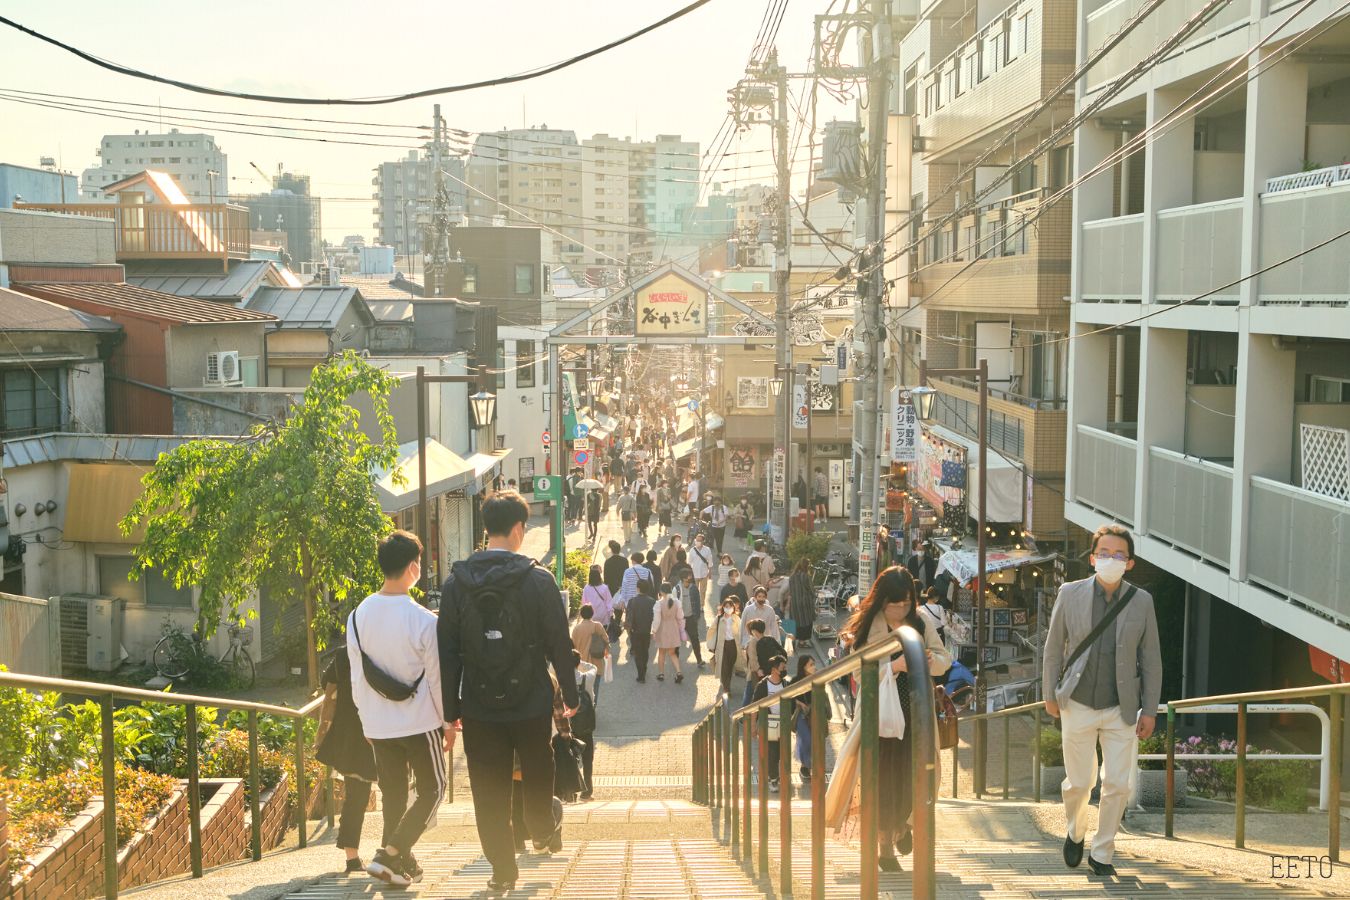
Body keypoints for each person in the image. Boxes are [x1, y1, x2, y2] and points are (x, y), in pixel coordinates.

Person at [438, 492, 578, 896]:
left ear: (486, 529)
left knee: (487, 789)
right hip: (531, 701)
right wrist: (570, 695)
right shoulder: (539, 580)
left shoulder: (456, 584)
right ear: (519, 529)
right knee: (538, 767)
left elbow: (447, 653)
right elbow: (558, 642)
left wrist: (451, 710)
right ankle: (540, 823)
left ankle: (502, 870)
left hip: (479, 705)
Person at [1043, 524, 1161, 878]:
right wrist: (1049, 694)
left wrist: (1150, 710)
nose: (1111, 559)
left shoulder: (1141, 601)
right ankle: (1075, 830)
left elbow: (1151, 659)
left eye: (1119, 555)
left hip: (1121, 707)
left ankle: (1103, 851)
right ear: (1093, 558)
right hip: (1076, 701)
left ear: (1130, 563)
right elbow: (1052, 649)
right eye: (1105, 554)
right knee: (1079, 783)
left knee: (1118, 784)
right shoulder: (1070, 593)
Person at [346, 531, 445, 887]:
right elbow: (436, 678)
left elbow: (357, 678)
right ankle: (389, 854)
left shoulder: (357, 616)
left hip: (377, 724)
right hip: (420, 722)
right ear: (413, 567)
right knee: (434, 789)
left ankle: (398, 866)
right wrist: (447, 723)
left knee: (395, 795)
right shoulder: (423, 620)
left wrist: (366, 723)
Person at [842, 566, 950, 873]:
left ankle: (903, 826)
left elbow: (944, 661)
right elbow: (856, 672)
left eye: (905, 603)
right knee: (882, 783)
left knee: (912, 779)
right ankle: (885, 847)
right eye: (894, 604)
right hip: (880, 719)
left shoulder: (920, 620)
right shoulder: (869, 625)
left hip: (915, 716)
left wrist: (928, 661)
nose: (900, 610)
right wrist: (896, 665)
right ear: (881, 600)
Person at [315, 635, 378, 875]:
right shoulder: (387, 651)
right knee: (396, 793)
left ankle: (352, 858)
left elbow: (326, 684)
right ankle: (393, 853)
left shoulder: (343, 654)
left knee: (356, 797)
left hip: (351, 735)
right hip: (387, 730)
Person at [751, 654, 791, 791]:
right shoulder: (763, 685)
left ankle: (774, 776)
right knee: (772, 752)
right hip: (769, 724)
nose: (785, 669)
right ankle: (773, 779)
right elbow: (754, 706)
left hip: (783, 724)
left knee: (781, 753)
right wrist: (753, 727)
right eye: (782, 667)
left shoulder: (786, 684)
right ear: (774, 669)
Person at [792, 656, 828, 780]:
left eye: (814, 664)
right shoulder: (795, 680)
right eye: (811, 664)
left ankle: (809, 767)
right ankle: (805, 766)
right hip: (801, 714)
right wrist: (799, 703)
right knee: (806, 739)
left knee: (816, 740)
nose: (814, 667)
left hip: (815, 713)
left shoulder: (817, 679)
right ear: (804, 667)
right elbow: (789, 697)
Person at [571, 649, 600, 801]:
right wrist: (581, 662)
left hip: (569, 723)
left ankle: (571, 792)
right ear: (577, 663)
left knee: (571, 758)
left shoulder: (562, 679)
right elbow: (593, 668)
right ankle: (587, 792)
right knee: (587, 758)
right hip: (586, 724)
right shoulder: (587, 678)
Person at [651, 582, 686, 684]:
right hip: (673, 628)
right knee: (672, 653)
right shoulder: (677, 602)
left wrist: (653, 630)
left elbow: (656, 620)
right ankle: (679, 672)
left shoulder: (658, 604)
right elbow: (680, 616)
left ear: (661, 591)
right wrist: (681, 629)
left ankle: (661, 673)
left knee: (661, 652)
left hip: (662, 628)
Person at [571, 604, 610, 693]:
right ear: (592, 614)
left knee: (582, 691)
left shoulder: (576, 629)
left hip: (581, 665)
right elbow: (606, 641)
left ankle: (584, 706)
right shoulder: (598, 626)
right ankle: (593, 706)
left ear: (581, 614)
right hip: (596, 664)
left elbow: (573, 647)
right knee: (594, 691)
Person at [625, 578, 657, 684]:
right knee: (645, 650)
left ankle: (641, 674)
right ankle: (644, 667)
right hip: (647, 630)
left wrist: (628, 629)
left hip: (635, 631)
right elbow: (655, 617)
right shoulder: (652, 601)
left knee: (638, 653)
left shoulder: (632, 601)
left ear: (637, 589)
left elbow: (629, 617)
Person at [709, 597, 742, 696]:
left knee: (730, 667)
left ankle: (727, 685)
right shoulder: (719, 618)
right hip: (722, 646)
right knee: (724, 667)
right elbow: (711, 631)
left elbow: (741, 631)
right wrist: (711, 644)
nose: (728, 608)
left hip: (733, 645)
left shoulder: (736, 618)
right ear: (723, 607)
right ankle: (726, 689)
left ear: (733, 607)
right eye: (726, 606)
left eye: (730, 606)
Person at [674, 569, 705, 668]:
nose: (691, 577)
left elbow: (697, 601)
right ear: (683, 578)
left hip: (691, 618)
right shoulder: (677, 589)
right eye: (689, 576)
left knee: (695, 639)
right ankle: (676, 661)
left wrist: (697, 616)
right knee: (676, 641)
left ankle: (699, 660)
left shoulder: (694, 588)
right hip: (680, 619)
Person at [785, 557, 817, 643]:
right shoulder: (806, 576)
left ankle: (798, 640)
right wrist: (815, 596)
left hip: (794, 602)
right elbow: (811, 590)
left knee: (797, 621)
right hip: (805, 602)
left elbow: (790, 590)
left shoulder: (792, 577)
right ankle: (803, 642)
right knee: (806, 621)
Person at [582, 566, 615, 630]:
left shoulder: (586, 588)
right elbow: (609, 602)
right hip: (603, 615)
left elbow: (584, 602)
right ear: (599, 576)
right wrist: (611, 614)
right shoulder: (604, 587)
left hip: (591, 615)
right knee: (603, 633)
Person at [688, 532, 715, 607]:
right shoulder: (692, 550)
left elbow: (710, 561)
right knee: (694, 591)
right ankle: (695, 605)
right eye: (697, 540)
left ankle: (702, 605)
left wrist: (710, 572)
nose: (698, 541)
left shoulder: (707, 550)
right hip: (694, 574)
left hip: (704, 574)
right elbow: (689, 563)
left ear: (703, 541)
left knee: (703, 591)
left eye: (700, 540)